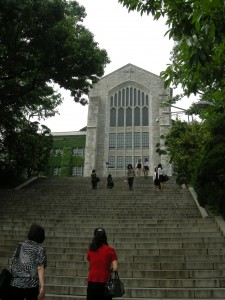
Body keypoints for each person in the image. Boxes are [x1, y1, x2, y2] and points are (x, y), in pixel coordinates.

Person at [10, 223, 47, 300]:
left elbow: (13, 262)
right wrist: (42, 287)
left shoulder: (20, 246)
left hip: (16, 283)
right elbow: (40, 268)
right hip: (31, 284)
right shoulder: (40, 249)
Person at [86, 228, 118, 300]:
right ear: (105, 237)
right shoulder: (110, 250)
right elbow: (115, 268)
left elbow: (89, 267)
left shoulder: (91, 249)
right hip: (105, 281)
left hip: (92, 281)